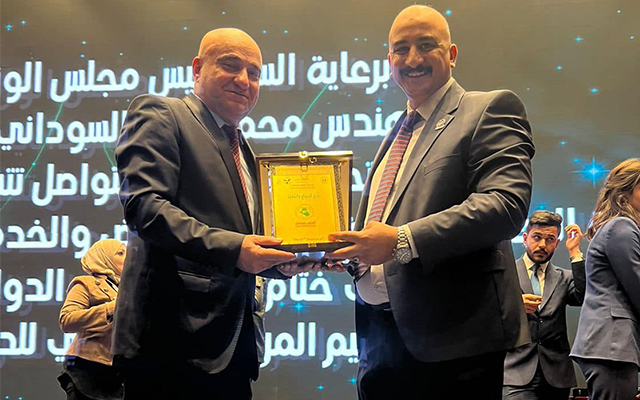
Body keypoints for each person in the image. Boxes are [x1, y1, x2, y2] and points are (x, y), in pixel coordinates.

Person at [327, 5, 534, 399]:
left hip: (453, 344)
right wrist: (352, 254)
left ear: (451, 54)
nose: (412, 59)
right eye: (400, 49)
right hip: (379, 341)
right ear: (389, 60)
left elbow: (505, 205)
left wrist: (400, 241)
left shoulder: (488, 109)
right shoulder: (396, 130)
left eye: (426, 45)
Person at [113, 28, 305, 400]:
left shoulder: (245, 150)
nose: (244, 80)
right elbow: (145, 208)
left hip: (233, 350)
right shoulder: (162, 114)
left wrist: (284, 261)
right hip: (171, 348)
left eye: (254, 73)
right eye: (231, 65)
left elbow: (242, 244)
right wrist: (237, 250)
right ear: (198, 69)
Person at [570, 158, 640, 400]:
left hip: (611, 347)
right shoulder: (621, 227)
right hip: (611, 346)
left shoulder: (618, 227)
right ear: (624, 193)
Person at [503, 211, 586, 400]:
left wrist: (575, 252)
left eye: (550, 239)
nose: (542, 245)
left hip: (557, 375)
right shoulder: (506, 273)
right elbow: (489, 313)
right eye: (537, 237)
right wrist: (515, 305)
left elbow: (583, 298)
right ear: (525, 239)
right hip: (516, 372)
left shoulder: (564, 277)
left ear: (557, 243)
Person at [58, 239, 126, 400]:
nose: (127, 256)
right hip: (87, 368)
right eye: (120, 253)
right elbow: (67, 320)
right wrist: (112, 308)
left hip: (117, 373)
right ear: (104, 259)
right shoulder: (86, 283)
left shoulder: (129, 289)